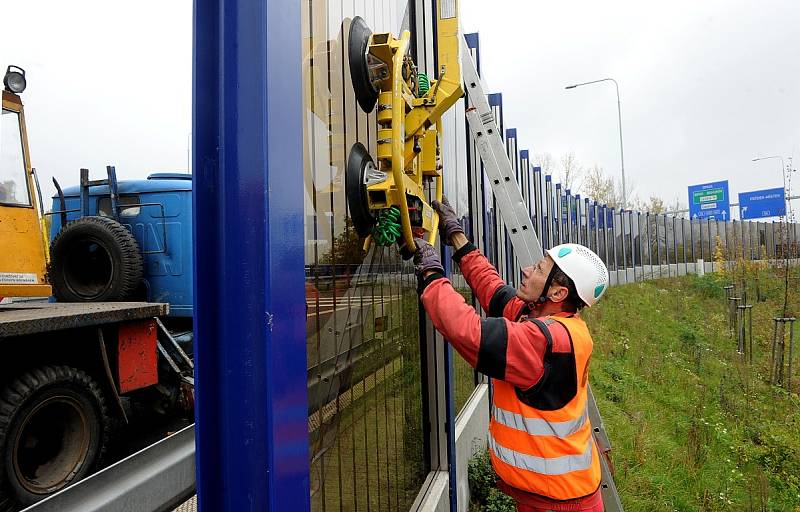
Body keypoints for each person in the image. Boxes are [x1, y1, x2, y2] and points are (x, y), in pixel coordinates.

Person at [413, 197, 609, 512]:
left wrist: (432, 273)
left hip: (560, 504)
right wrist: (458, 239)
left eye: (539, 268)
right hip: (553, 495)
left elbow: (467, 332)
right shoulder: (551, 321)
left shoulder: (546, 341)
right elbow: (495, 291)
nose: (527, 269)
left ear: (557, 293)